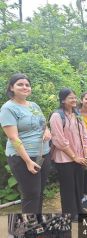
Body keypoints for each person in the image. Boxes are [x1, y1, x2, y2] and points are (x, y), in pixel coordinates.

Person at [0, 74, 51, 213]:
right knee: (31, 194)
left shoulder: (33, 105)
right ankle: (28, 231)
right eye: (20, 84)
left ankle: (37, 224)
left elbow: (43, 123)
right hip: (23, 158)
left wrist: (47, 130)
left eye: (27, 85)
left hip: (42, 154)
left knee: (39, 192)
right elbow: (13, 138)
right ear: (12, 87)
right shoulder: (8, 108)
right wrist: (28, 161)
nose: (25, 87)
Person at [50, 88, 87, 217]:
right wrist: (74, 157)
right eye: (70, 98)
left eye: (74, 97)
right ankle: (69, 214)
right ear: (62, 100)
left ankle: (79, 209)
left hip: (79, 156)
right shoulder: (57, 116)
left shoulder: (77, 114)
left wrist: (86, 155)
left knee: (78, 185)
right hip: (65, 158)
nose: (74, 100)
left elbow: (84, 135)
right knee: (68, 188)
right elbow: (58, 140)